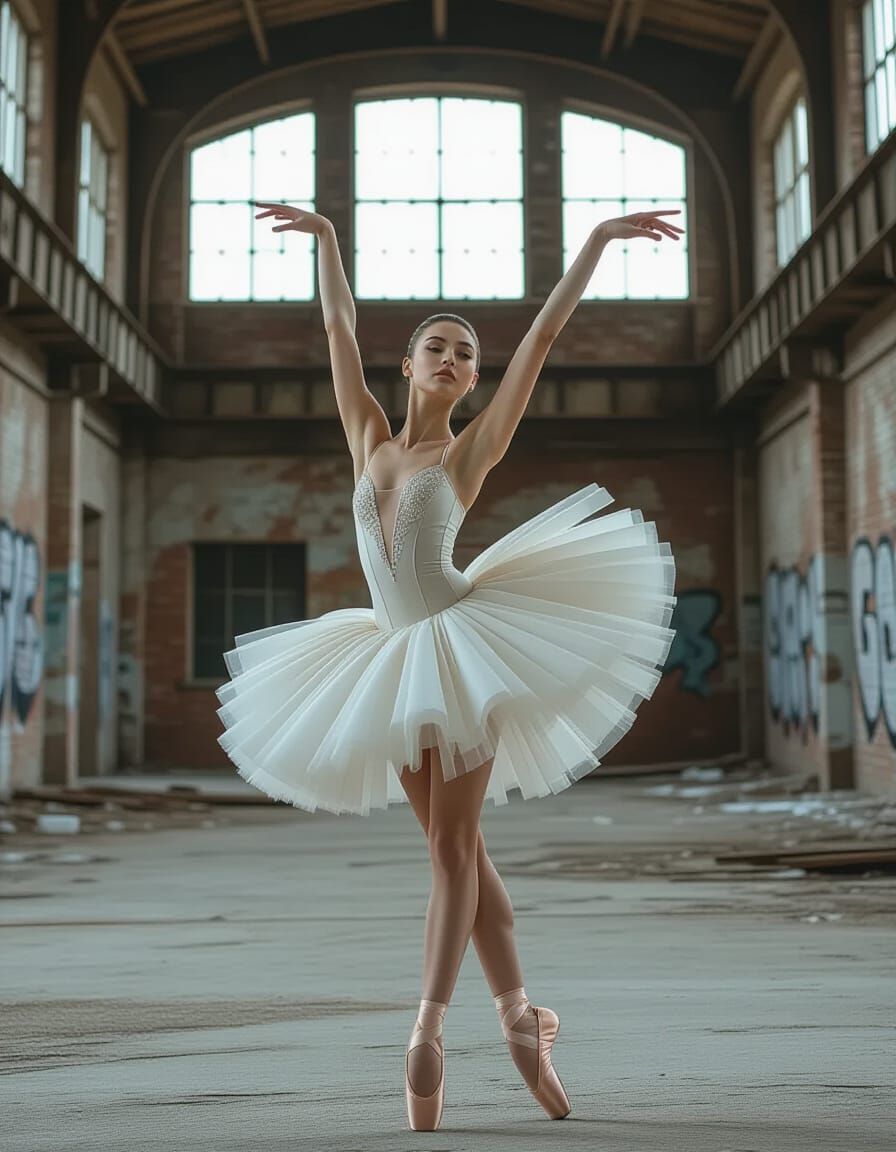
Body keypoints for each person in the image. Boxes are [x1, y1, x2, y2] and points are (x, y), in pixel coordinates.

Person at [216, 199, 682, 1131]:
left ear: (473, 380)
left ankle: (426, 1035)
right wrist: (328, 242)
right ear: (410, 363)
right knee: (461, 854)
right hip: (390, 659)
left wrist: (593, 242)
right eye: (437, 345)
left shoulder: (468, 452)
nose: (453, 359)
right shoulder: (367, 437)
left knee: (449, 850)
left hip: (462, 649)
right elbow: (337, 327)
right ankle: (523, 1022)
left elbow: (545, 335)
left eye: (466, 354)